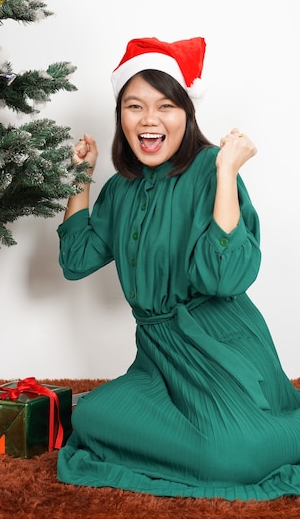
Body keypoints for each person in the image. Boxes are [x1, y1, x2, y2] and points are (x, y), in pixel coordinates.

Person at [56, 37, 300, 501]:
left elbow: (224, 278)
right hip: (157, 356)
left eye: (165, 106)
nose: (149, 119)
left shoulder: (212, 168)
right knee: (86, 417)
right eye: (134, 106)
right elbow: (76, 260)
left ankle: (271, 431)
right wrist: (80, 179)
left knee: (231, 456)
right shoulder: (122, 189)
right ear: (120, 117)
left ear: (187, 114)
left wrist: (227, 172)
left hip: (220, 344)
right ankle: (200, 443)